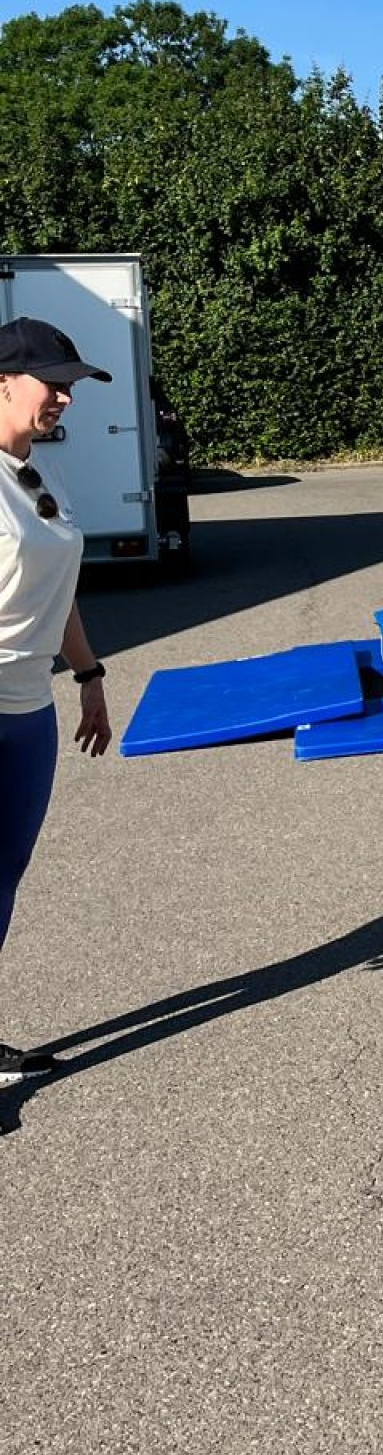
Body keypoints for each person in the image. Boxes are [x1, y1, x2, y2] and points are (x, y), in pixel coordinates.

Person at [0, 317, 115, 1083]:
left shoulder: (37, 474)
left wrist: (89, 675)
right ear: (3, 383)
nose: (66, 398)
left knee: (2, 882)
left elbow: (59, 590)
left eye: (71, 387)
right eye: (55, 383)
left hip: (28, 713)